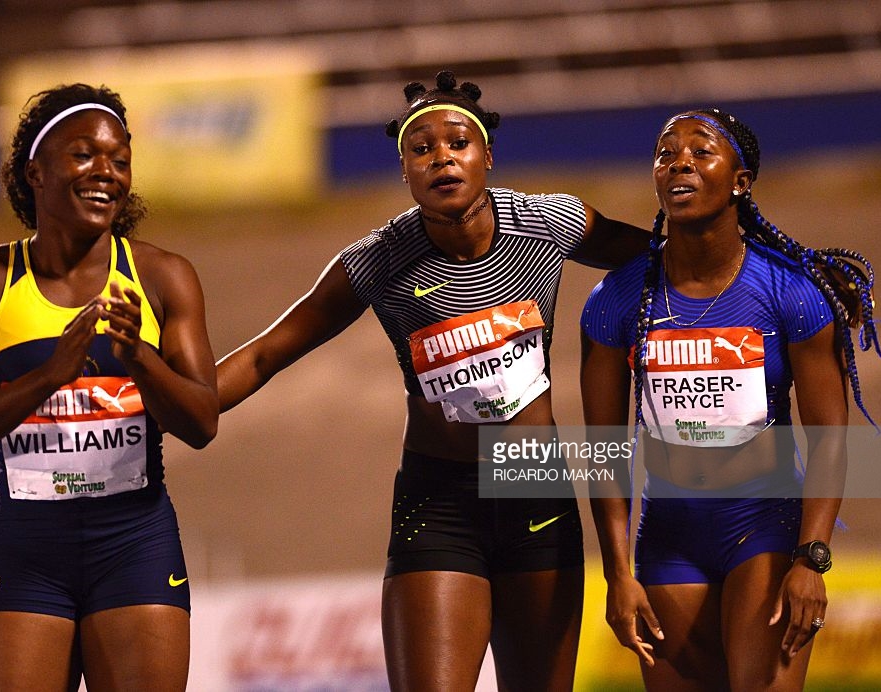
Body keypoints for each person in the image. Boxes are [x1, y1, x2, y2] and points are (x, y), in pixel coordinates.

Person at [217, 70, 651, 691]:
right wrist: (164, 402)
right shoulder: (377, 260)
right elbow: (263, 357)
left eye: (457, 144)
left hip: (533, 483)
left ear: (487, 156)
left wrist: (792, 274)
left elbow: (669, 261)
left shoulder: (550, 224)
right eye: (421, 150)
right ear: (404, 171)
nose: (442, 158)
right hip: (440, 499)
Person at [580, 107, 881, 690]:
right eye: (666, 154)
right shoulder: (615, 301)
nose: (680, 164)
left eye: (701, 151)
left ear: (741, 181)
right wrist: (616, 573)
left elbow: (828, 442)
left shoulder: (789, 293)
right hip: (667, 539)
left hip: (765, 530)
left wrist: (811, 557)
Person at [0, 83, 218, 691]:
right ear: (34, 171)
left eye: (120, 160)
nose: (106, 173)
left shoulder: (162, 276)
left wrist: (140, 358)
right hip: (27, 552)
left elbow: (202, 422)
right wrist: (48, 377)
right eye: (84, 154)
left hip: (136, 547)